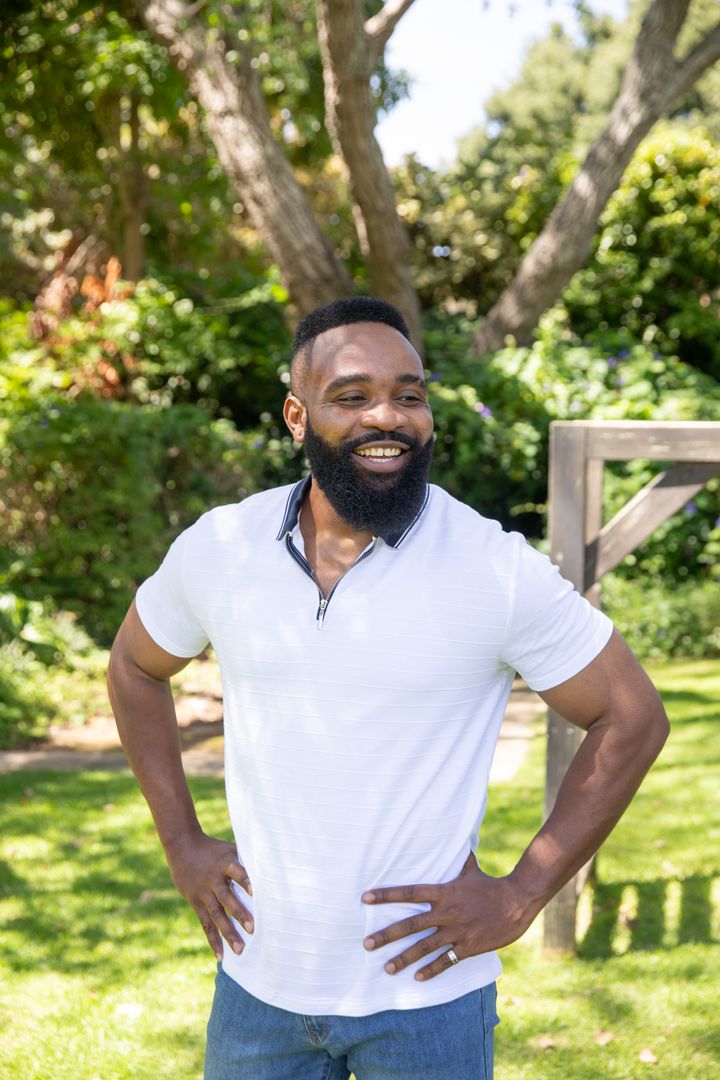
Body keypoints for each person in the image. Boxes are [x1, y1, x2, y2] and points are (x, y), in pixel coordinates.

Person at [107, 296, 669, 1080]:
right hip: (257, 988)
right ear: (297, 418)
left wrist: (522, 892)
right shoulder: (222, 546)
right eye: (353, 396)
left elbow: (632, 715)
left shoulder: (491, 567)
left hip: (427, 1001)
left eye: (409, 394)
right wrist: (181, 841)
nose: (389, 416)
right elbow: (135, 666)